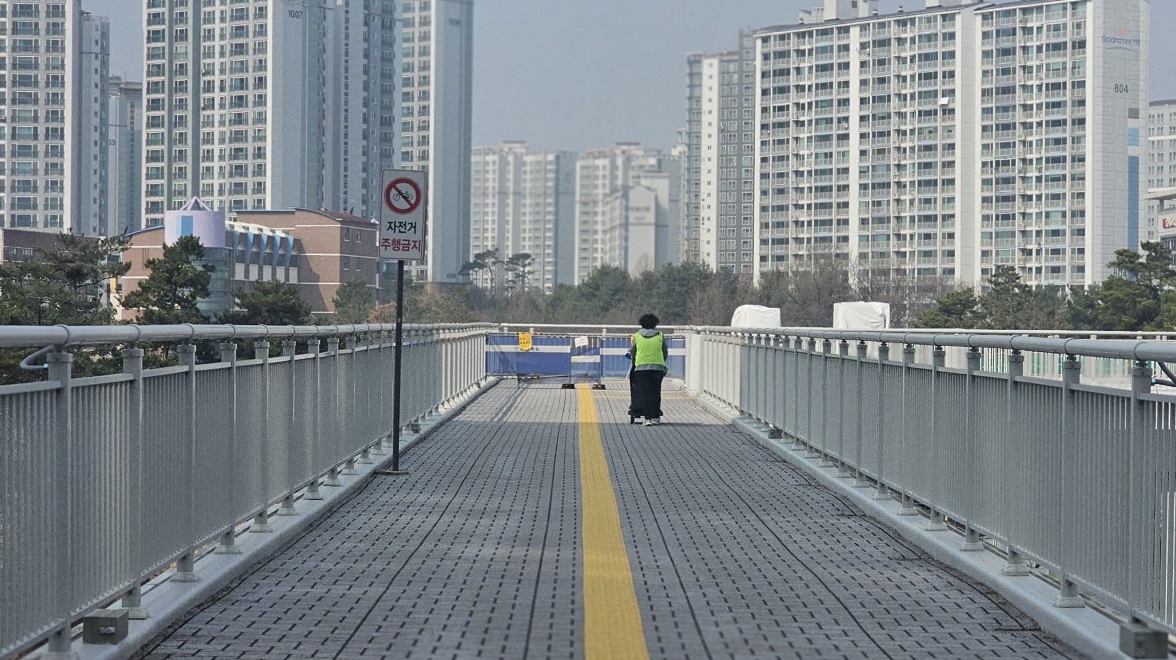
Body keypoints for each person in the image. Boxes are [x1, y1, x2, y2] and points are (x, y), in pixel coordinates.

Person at [627, 313, 668, 426]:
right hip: (657, 367)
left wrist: (635, 360)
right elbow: (664, 351)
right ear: (655, 324)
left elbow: (632, 350)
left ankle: (648, 418)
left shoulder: (637, 336)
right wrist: (661, 362)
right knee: (655, 392)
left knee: (644, 392)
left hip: (641, 367)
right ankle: (655, 416)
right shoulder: (660, 335)